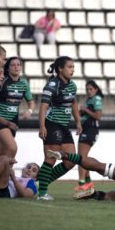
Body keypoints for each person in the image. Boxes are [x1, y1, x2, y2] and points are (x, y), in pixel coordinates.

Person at [36, 56, 82, 201]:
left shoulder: (72, 85)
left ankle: (42, 182)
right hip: (52, 124)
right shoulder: (51, 85)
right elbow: (43, 107)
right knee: (50, 159)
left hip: (64, 126)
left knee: (70, 161)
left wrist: (78, 122)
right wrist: (42, 126)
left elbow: (74, 104)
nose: (72, 70)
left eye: (73, 67)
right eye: (69, 67)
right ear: (60, 69)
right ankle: (42, 194)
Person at [0, 57, 35, 161]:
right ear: (8, 68)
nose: (16, 67)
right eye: (13, 65)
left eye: (18, 65)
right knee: (12, 148)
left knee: (3, 156)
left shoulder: (24, 83)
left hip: (13, 121)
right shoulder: (2, 81)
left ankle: (1, 177)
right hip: (0, 120)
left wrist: (29, 111)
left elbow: (31, 102)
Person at [73, 80, 104, 198]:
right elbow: (84, 115)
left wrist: (85, 110)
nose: (89, 91)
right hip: (86, 130)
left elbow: (98, 116)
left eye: (91, 89)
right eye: (87, 89)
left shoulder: (97, 99)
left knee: (81, 158)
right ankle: (88, 183)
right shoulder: (89, 100)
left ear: (96, 89)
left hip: (91, 130)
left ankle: (82, 184)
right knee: (83, 158)